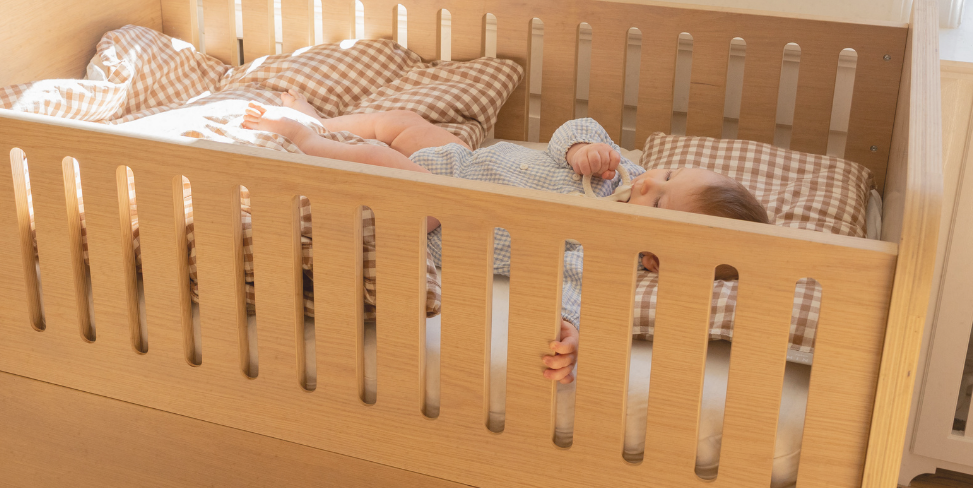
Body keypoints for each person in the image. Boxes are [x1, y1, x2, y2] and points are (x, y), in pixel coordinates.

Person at [241, 93, 769, 385]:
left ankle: (298, 135)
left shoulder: (603, 254)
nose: (651, 183)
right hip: (467, 161)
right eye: (670, 176)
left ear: (651, 259)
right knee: (399, 122)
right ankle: (325, 122)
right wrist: (581, 146)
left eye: (660, 201)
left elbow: (571, 292)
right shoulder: (619, 170)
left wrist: (571, 335)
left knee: (385, 166)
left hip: (444, 216)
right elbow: (571, 127)